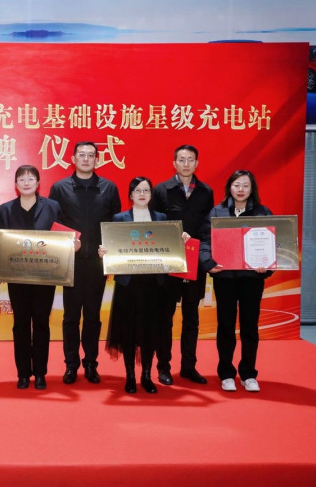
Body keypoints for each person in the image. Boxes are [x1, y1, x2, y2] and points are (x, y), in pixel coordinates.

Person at [99, 176, 190, 394]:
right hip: (128, 285)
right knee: (128, 333)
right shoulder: (119, 219)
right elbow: (112, 248)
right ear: (130, 195)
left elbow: (170, 247)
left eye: (146, 190)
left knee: (151, 332)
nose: (142, 194)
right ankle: (130, 376)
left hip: (155, 286)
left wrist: (181, 239)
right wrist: (104, 252)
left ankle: (146, 376)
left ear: (151, 195)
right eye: (137, 190)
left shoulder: (162, 219)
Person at [49, 141, 121, 384]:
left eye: (91, 155)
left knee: (92, 316)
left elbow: (115, 224)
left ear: (97, 159)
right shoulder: (60, 188)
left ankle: (90, 363)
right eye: (82, 154)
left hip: (97, 264)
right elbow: (54, 224)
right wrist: (66, 245)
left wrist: (109, 250)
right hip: (71, 263)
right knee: (70, 317)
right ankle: (71, 365)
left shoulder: (108, 188)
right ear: (73, 158)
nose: (86, 159)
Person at [200, 170, 273, 393]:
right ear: (229, 188)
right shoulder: (217, 212)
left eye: (245, 186)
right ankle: (226, 373)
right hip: (225, 279)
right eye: (236, 185)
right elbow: (205, 242)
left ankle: (248, 374)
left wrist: (266, 265)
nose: (240, 190)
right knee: (226, 327)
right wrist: (209, 263)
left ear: (252, 189)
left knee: (250, 327)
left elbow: (273, 244)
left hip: (252, 279)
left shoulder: (262, 213)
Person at [0, 165, 64, 390]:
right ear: (16, 184)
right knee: (21, 324)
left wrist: (72, 244)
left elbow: (62, 237)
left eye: (31, 179)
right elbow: (0, 242)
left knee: (42, 323)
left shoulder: (52, 207)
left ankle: (41, 373)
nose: (26, 183)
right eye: (22, 179)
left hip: (46, 276)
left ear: (38, 183)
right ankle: (23, 373)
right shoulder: (6, 209)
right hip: (17, 277)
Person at [150, 144, 213, 386]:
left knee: (191, 318)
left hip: (194, 262)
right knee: (164, 317)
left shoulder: (206, 192)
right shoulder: (161, 190)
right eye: (182, 160)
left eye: (190, 160)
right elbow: (153, 226)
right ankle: (163, 367)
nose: (186, 164)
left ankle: (188, 367)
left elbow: (208, 228)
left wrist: (203, 253)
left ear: (197, 163)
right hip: (168, 262)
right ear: (174, 163)